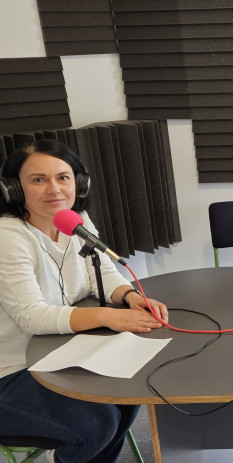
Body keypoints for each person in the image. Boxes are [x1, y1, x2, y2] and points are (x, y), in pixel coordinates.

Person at [0, 139, 169, 463]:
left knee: (127, 393)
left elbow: (101, 272)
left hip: (61, 350)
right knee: (96, 424)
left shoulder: (74, 219)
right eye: (39, 179)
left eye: (63, 177)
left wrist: (130, 296)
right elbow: (30, 316)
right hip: (12, 370)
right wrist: (107, 316)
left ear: (79, 182)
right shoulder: (9, 236)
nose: (54, 189)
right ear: (13, 188)